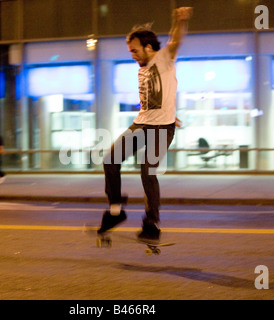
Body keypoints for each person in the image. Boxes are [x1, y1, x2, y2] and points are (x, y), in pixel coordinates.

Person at [98, 7, 193, 242]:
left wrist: (179, 20)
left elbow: (176, 39)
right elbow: (157, 97)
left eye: (134, 50)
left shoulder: (165, 58)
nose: (132, 55)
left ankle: (151, 224)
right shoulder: (141, 69)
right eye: (130, 51)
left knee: (147, 171)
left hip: (162, 128)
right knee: (110, 159)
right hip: (142, 124)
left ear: (148, 47)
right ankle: (115, 211)